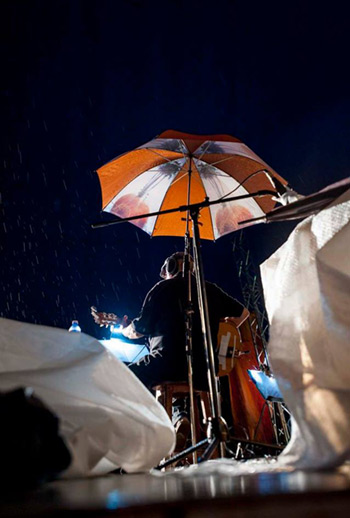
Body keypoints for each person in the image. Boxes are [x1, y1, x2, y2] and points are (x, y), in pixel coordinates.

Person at [92, 252, 249, 392]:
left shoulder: (161, 289)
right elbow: (244, 314)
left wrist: (124, 328)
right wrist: (225, 328)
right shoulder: (209, 289)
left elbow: (138, 330)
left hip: (167, 365)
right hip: (205, 370)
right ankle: (180, 417)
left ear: (170, 269)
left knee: (122, 377)